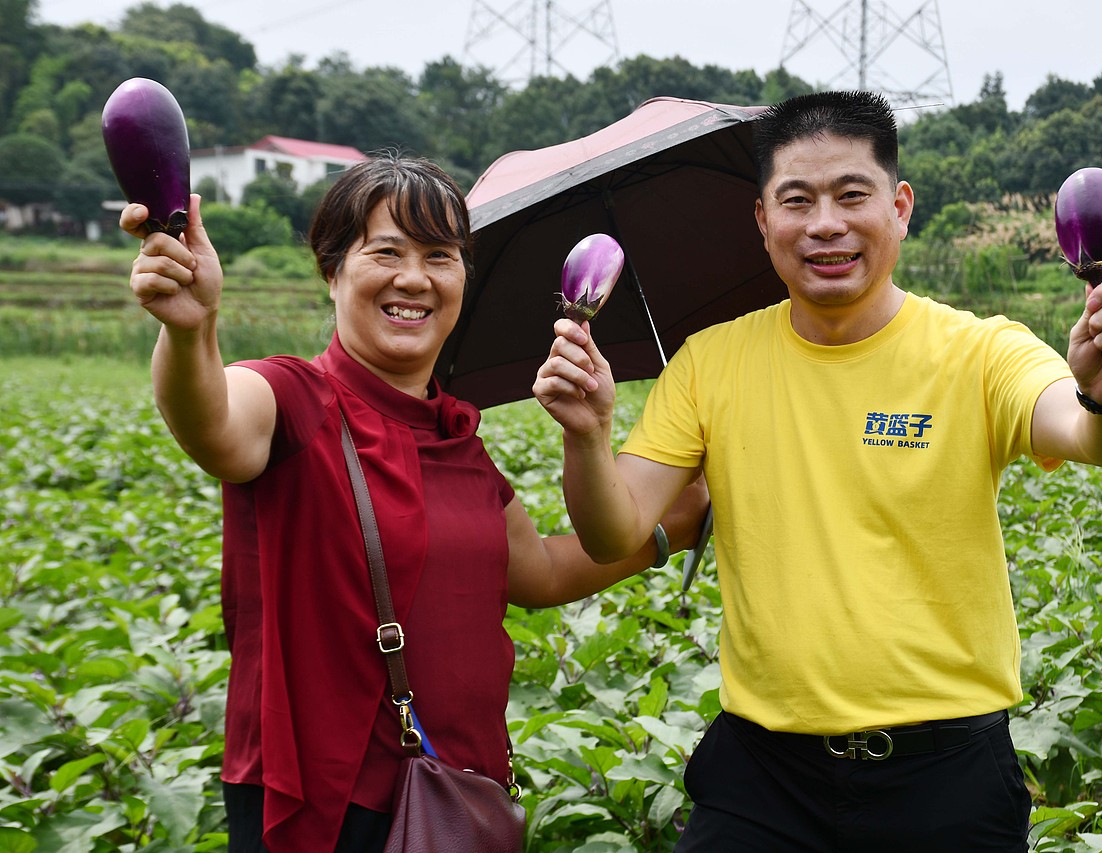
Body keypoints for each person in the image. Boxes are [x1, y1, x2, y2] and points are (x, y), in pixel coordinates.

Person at [533, 90, 1102, 851]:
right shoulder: (710, 363)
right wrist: (587, 435)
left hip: (946, 774)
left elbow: (1094, 435)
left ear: (899, 206)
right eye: (796, 201)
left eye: (850, 195)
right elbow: (612, 530)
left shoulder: (981, 350)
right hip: (762, 777)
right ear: (764, 222)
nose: (824, 224)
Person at [121, 155, 707, 852]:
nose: (414, 278)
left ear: (463, 278)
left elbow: (543, 572)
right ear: (333, 271)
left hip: (455, 792)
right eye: (386, 252)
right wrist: (191, 332)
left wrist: (671, 522)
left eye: (440, 256)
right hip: (323, 805)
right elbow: (213, 423)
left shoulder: (457, 435)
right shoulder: (293, 399)